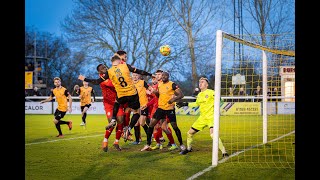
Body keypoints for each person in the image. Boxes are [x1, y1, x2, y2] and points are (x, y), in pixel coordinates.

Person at [78, 53, 152, 143]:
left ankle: (116, 122)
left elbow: (97, 81)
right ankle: (127, 128)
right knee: (135, 112)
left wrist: (85, 79)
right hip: (128, 94)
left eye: (105, 66)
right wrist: (150, 74)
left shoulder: (110, 71)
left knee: (121, 106)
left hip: (121, 95)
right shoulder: (124, 66)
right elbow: (139, 71)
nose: (105, 68)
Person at [176, 76, 229, 157]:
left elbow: (221, 100)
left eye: (202, 82)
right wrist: (185, 104)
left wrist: (216, 107)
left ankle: (224, 152)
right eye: (200, 82)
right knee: (189, 133)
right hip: (202, 118)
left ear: (207, 84)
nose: (200, 83)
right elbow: (196, 104)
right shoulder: (200, 94)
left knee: (213, 135)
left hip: (211, 117)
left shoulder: (211, 92)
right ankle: (189, 148)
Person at [141, 71, 185, 152]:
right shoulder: (160, 85)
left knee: (174, 126)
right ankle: (148, 144)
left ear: (168, 76)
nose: (163, 77)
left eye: (165, 75)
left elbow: (181, 95)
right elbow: (158, 96)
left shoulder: (172, 84)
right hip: (160, 108)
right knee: (151, 124)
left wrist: (172, 99)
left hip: (169, 109)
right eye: (163, 75)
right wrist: (156, 92)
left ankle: (181, 144)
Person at [131, 72, 150, 145]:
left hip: (143, 105)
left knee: (142, 122)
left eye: (136, 75)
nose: (135, 76)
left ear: (139, 76)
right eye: (133, 75)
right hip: (135, 105)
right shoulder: (130, 84)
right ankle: (137, 140)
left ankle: (149, 135)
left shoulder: (142, 82)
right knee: (136, 123)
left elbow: (150, 89)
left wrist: (149, 91)